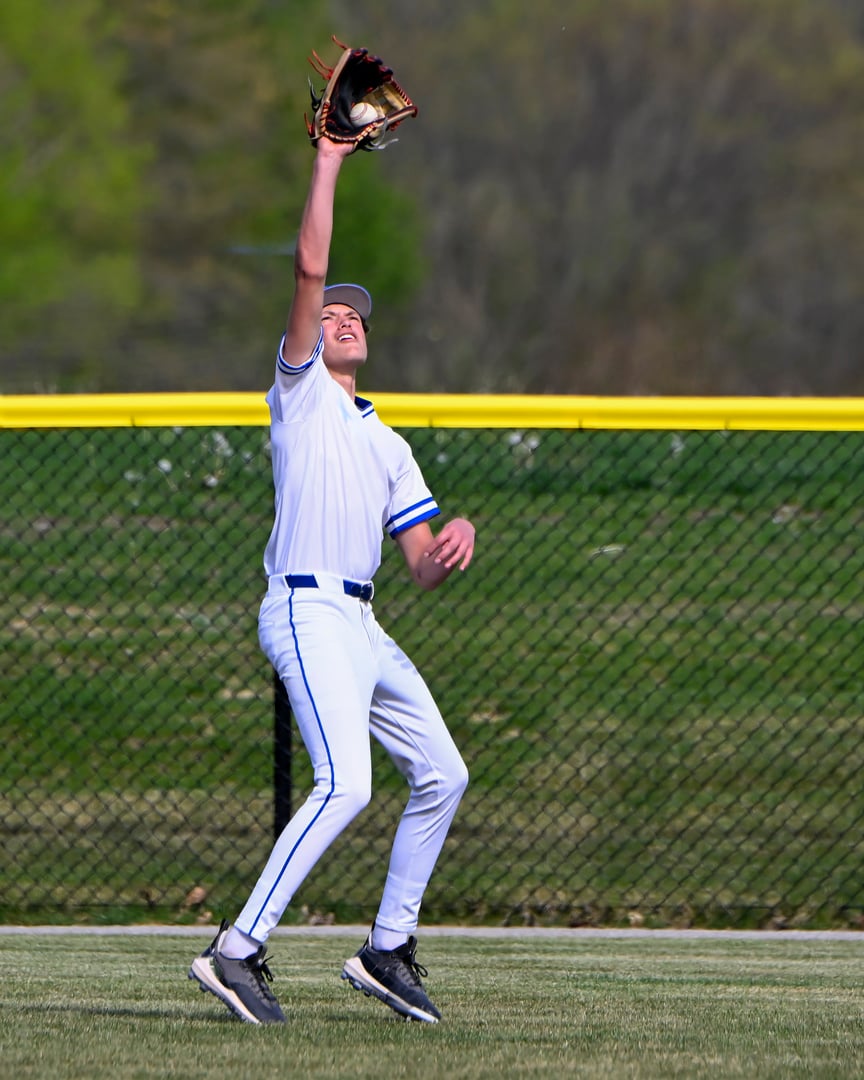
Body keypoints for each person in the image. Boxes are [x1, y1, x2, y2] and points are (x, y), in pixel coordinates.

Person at [188, 134, 475, 1026]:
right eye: (334, 313)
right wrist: (329, 162)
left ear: (371, 339)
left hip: (364, 623)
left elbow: (421, 565)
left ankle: (387, 947)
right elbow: (310, 269)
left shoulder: (389, 444)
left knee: (443, 773)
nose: (344, 318)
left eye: (358, 316)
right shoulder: (302, 392)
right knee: (347, 782)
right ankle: (235, 950)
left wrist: (451, 540)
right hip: (304, 607)